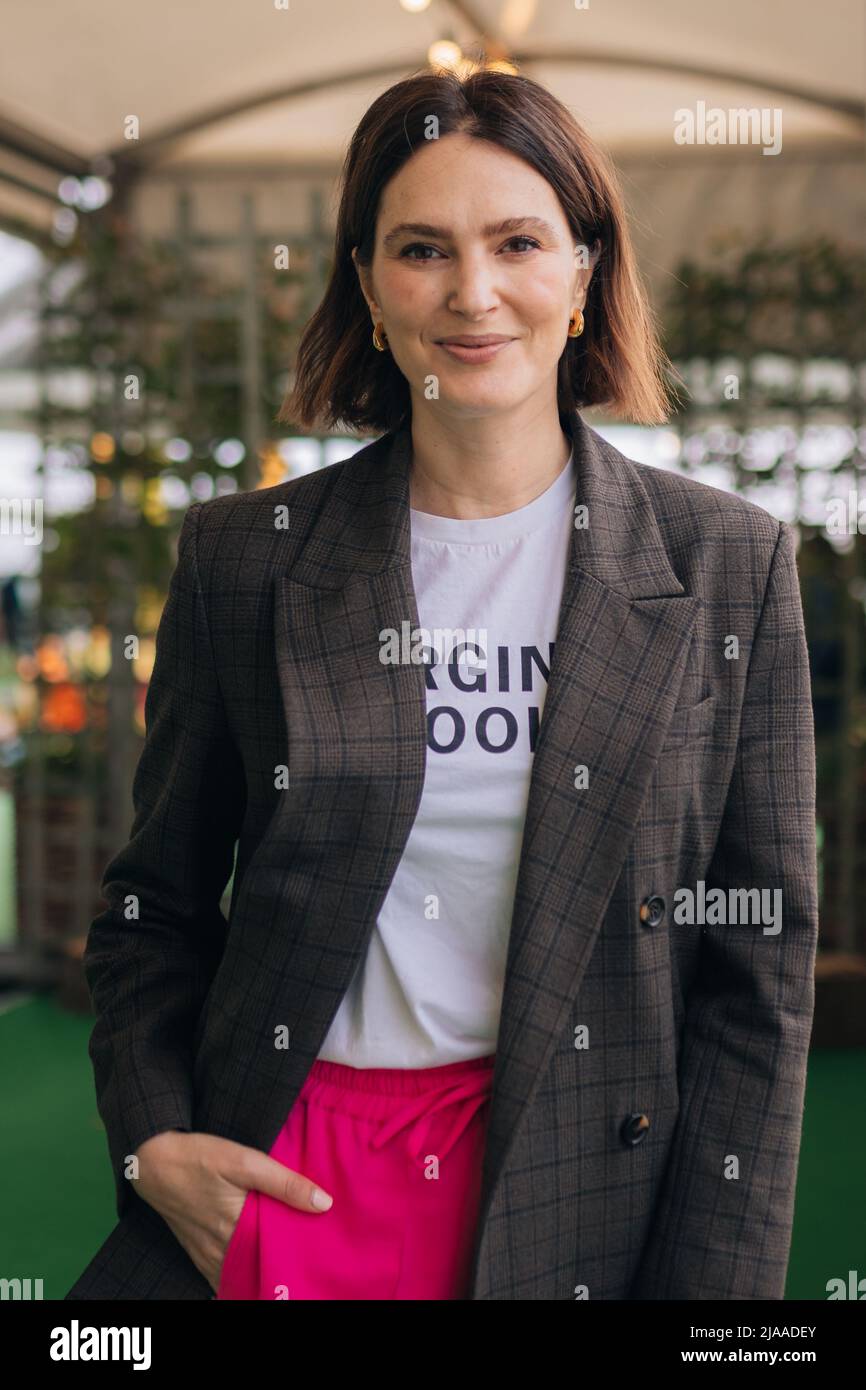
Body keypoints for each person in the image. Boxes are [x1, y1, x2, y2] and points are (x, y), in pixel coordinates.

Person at [66, 68, 818, 1302]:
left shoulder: (727, 566)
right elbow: (151, 906)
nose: (472, 293)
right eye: (421, 249)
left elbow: (756, 976)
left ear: (583, 271)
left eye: (517, 241)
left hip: (570, 1199)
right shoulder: (241, 562)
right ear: (366, 286)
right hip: (282, 1185)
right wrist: (153, 1145)